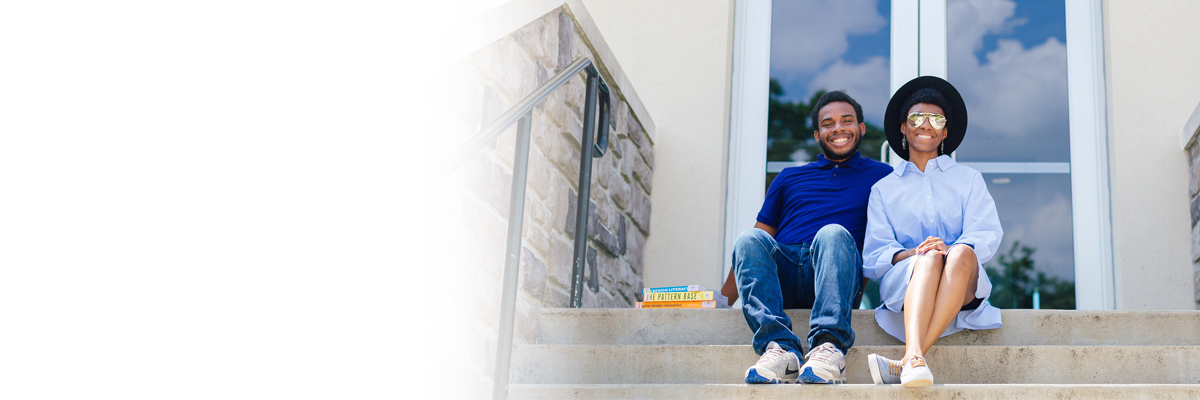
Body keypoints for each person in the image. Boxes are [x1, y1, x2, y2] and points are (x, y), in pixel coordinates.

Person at [719, 91, 893, 384]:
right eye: (828, 123)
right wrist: (721, 303)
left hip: (833, 273)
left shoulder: (883, 175)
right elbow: (760, 239)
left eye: (846, 121)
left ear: (861, 128)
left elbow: (890, 238)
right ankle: (781, 349)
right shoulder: (789, 177)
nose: (837, 128)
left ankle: (829, 347)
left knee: (833, 232)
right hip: (785, 273)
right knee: (748, 238)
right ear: (817, 134)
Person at [861, 76, 1004, 387]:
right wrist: (916, 253)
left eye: (936, 119)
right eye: (916, 117)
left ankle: (911, 356)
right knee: (927, 259)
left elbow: (987, 232)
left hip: (961, 280)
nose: (926, 125)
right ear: (903, 127)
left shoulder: (968, 179)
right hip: (907, 283)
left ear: (945, 131)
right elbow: (873, 256)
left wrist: (949, 249)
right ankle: (913, 360)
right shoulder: (883, 189)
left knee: (963, 250)